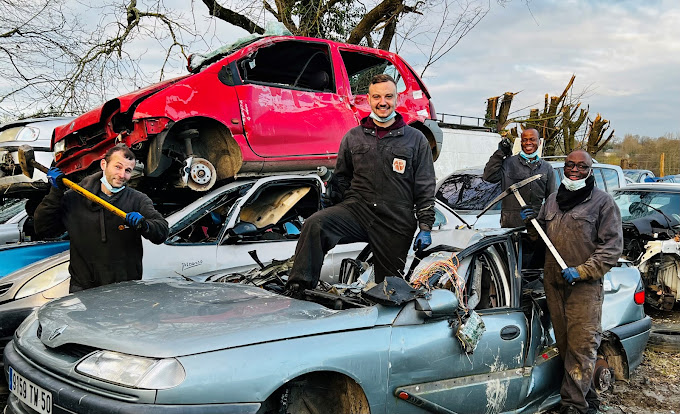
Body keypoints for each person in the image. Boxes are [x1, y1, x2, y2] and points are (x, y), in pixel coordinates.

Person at [285, 74, 436, 293]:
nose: (382, 102)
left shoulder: (415, 139)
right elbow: (342, 178)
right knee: (315, 224)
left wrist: (425, 226)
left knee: (389, 290)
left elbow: (425, 186)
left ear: (396, 99)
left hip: (395, 220)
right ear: (368, 99)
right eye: (376, 97)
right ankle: (299, 287)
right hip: (358, 210)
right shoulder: (353, 137)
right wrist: (333, 200)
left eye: (388, 96)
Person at [523, 149, 623, 414]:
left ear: (590, 169)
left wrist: (583, 271)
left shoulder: (602, 203)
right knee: (566, 346)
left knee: (582, 347)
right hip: (554, 285)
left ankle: (573, 407)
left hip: (584, 288)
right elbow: (541, 240)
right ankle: (588, 399)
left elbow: (611, 248)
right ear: (563, 168)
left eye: (581, 166)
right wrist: (531, 225)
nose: (575, 170)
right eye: (570, 165)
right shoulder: (553, 201)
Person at [34, 144, 169, 292]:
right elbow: (43, 228)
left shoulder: (138, 200)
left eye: (128, 171)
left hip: (126, 290)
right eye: (118, 167)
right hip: (84, 289)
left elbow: (162, 231)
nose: (122, 175)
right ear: (104, 164)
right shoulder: (75, 198)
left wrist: (145, 225)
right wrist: (55, 193)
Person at [483, 128, 556, 228]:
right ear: (521, 142)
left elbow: (552, 200)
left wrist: (544, 218)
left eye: (532, 139)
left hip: (536, 226)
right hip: (511, 226)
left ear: (539, 142)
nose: (528, 142)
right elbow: (488, 176)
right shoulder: (508, 163)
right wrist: (500, 153)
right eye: (524, 140)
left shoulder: (546, 168)